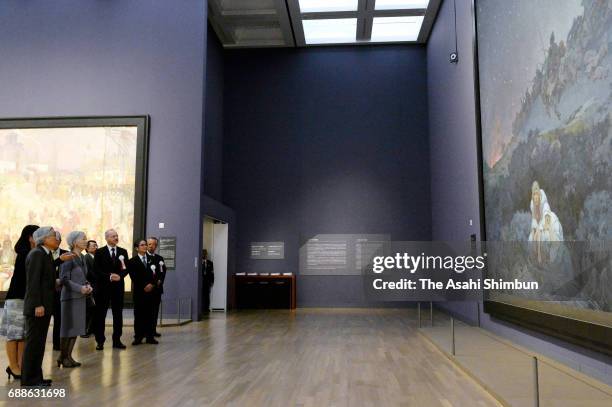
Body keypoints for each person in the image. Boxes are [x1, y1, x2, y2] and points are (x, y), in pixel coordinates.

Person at [21, 227, 60, 387]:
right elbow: (33, 282)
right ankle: (29, 380)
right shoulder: (37, 254)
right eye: (53, 236)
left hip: (44, 305)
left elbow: (44, 279)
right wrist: (37, 304)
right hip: (37, 306)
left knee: (39, 343)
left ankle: (36, 376)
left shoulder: (45, 254)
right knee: (34, 344)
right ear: (44, 239)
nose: (56, 239)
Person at [1, 225, 39, 381]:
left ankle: (20, 366)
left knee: (22, 334)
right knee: (14, 334)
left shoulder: (31, 253)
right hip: (16, 298)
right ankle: (13, 366)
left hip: (25, 298)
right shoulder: (24, 254)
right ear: (30, 237)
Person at [57, 231, 93, 367]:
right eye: (83, 239)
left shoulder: (82, 257)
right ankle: (63, 357)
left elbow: (83, 277)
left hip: (80, 297)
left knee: (75, 329)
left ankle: (67, 357)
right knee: (67, 329)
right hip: (69, 297)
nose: (86, 241)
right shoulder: (68, 257)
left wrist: (88, 285)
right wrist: (80, 288)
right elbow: (64, 279)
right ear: (74, 242)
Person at [92, 229, 129, 350]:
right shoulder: (99, 252)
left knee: (118, 314)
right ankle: (100, 341)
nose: (116, 238)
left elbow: (126, 268)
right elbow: (96, 270)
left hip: (118, 288)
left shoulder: (123, 251)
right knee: (100, 315)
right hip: (103, 288)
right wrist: (109, 276)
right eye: (113, 236)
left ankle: (117, 340)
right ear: (107, 238)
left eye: (117, 236)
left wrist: (121, 275)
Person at [128, 240, 159, 345]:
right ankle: (138, 337)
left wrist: (152, 284)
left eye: (146, 244)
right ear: (137, 248)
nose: (145, 246)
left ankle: (150, 336)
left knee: (150, 314)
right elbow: (133, 277)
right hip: (139, 292)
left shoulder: (152, 259)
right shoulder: (132, 261)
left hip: (151, 292)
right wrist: (144, 286)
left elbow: (157, 274)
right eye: (142, 245)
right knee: (139, 315)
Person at [51, 231, 71, 351]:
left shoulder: (66, 254)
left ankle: (57, 345)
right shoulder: (43, 253)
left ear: (59, 241)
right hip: (47, 291)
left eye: (55, 239)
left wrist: (61, 281)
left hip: (62, 291)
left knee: (59, 319)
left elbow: (70, 271)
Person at [147, 237, 166, 337]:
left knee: (155, 311)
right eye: (149, 244)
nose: (151, 246)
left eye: (153, 244)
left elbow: (163, 272)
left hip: (157, 290)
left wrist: (160, 281)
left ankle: (153, 330)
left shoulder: (160, 258)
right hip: (146, 289)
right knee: (146, 312)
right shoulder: (144, 257)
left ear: (156, 246)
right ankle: (145, 331)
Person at [82, 240, 98, 338]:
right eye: (93, 246)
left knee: (95, 310)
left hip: (97, 287)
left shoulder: (97, 257)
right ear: (87, 248)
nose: (95, 247)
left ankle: (93, 329)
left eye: (96, 245)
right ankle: (85, 330)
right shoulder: (86, 258)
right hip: (90, 286)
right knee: (88, 310)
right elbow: (87, 273)